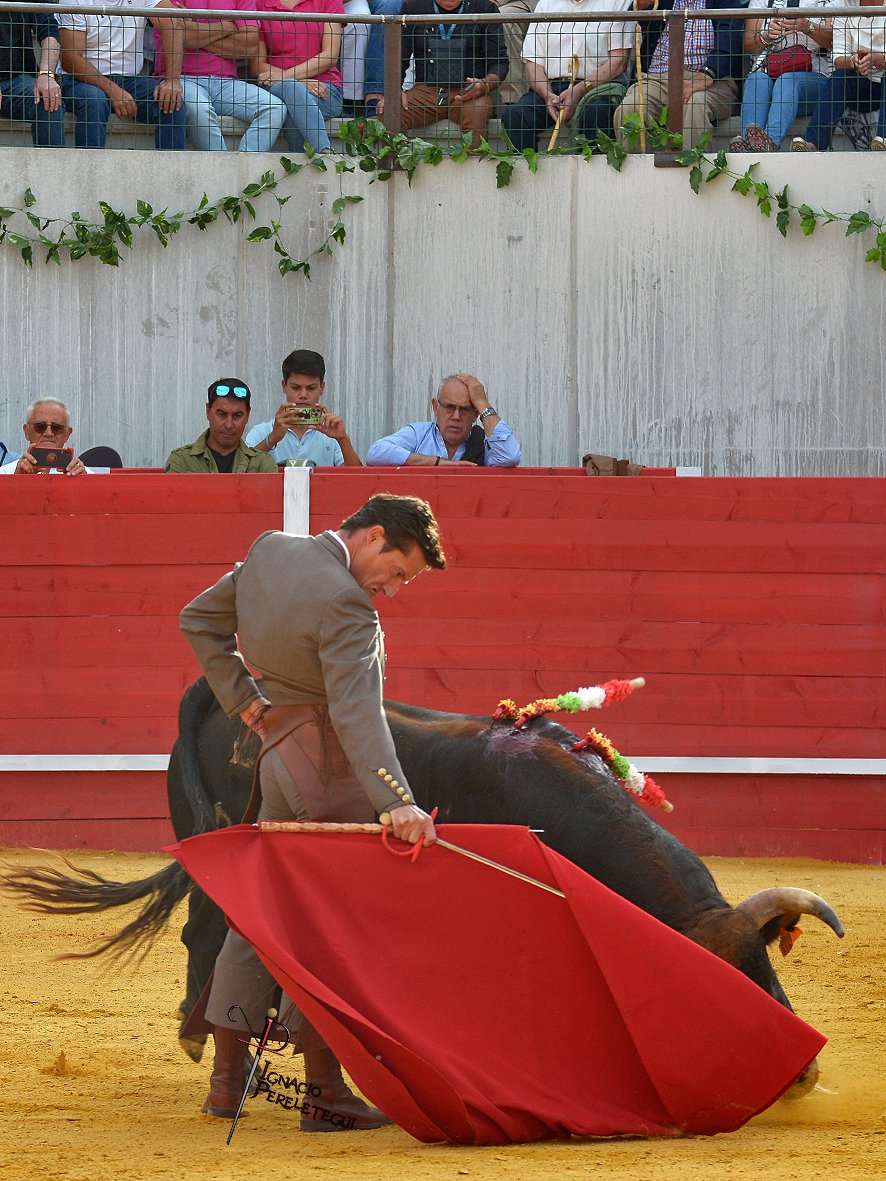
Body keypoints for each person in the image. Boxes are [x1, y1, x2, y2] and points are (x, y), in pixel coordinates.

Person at [180, 493, 446, 1128]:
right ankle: (324, 1093)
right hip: (328, 768)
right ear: (373, 537)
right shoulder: (348, 603)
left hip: (278, 757)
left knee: (262, 917)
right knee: (328, 925)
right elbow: (356, 714)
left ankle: (226, 1081)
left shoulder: (271, 550)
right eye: (400, 571)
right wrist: (398, 800)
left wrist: (241, 694)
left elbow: (198, 620)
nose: (397, 589)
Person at [502, 0, 633, 152]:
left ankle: (594, 175)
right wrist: (547, 95)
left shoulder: (617, 3)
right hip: (551, 87)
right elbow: (533, 63)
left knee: (597, 112)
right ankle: (528, 173)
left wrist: (578, 90)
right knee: (515, 116)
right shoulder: (546, 4)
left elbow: (618, 61)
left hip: (597, 87)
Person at [613, 0, 744, 151]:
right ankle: (639, 173)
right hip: (658, 78)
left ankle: (694, 170)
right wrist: (641, 5)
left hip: (713, 79)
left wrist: (708, 73)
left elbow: (731, 38)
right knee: (629, 109)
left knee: (696, 104)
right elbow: (634, 18)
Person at [156, 0, 286, 151]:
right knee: (199, 111)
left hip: (227, 83)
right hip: (184, 79)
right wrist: (227, 27)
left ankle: (241, 169)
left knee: (274, 108)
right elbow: (176, 33)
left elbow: (249, 47)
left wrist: (194, 33)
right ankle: (223, 171)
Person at [377, 0, 508, 149]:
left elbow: (500, 61)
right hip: (425, 92)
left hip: (469, 92)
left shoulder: (485, 8)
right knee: (388, 110)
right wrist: (394, 91)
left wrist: (484, 84)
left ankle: (474, 170)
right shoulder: (413, 7)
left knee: (477, 112)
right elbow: (399, 56)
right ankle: (401, 167)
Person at [57, 0, 186, 150]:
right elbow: (70, 60)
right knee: (94, 101)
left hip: (129, 81)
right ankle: (91, 172)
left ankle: (170, 172)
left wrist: (172, 81)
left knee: (172, 102)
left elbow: (173, 23)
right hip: (81, 80)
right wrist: (112, 89)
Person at [730, 0, 834, 153]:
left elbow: (835, 40)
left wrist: (807, 27)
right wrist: (766, 36)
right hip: (770, 71)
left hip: (816, 75)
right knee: (756, 79)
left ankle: (769, 142)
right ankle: (749, 143)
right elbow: (748, 45)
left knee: (786, 81)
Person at [365, 373, 521, 466]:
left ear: (475, 414)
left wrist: (482, 402)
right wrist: (440, 463)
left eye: (465, 409)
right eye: (449, 407)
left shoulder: (481, 443)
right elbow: (375, 453)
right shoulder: (418, 434)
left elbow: (510, 456)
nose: (456, 416)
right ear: (435, 407)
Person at [250, 0, 344, 154]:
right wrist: (297, 82)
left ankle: (301, 170)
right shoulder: (260, 3)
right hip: (277, 87)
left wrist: (287, 77)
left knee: (293, 111)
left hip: (325, 88)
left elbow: (330, 56)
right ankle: (327, 154)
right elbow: (257, 66)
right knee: (291, 90)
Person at [792, 0, 886, 151]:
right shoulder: (845, 5)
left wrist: (879, 59)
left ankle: (883, 139)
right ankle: (814, 143)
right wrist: (853, 61)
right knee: (840, 76)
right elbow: (838, 59)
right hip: (865, 84)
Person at [245, 349, 363, 465]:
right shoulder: (261, 432)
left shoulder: (332, 436)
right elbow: (241, 475)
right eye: (295, 388)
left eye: (311, 388)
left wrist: (343, 439)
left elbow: (359, 481)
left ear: (322, 388)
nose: (303, 395)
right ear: (284, 386)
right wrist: (271, 439)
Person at [165, 379, 278, 473]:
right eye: (221, 414)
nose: (229, 425)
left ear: (248, 415)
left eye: (237, 416)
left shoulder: (262, 464)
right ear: (208, 411)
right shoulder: (182, 461)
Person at [0, 0, 66, 147]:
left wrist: (46, 75)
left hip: (16, 81)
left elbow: (49, 31)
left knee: (49, 100)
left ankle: (52, 168)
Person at [0, 400, 91, 475]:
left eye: (57, 428)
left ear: (67, 434)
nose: (48, 433)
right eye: (40, 426)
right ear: (27, 431)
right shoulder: (5, 473)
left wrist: (83, 483)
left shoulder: (84, 474)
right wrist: (15, 482)